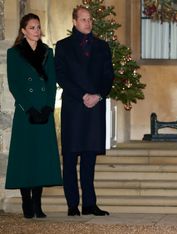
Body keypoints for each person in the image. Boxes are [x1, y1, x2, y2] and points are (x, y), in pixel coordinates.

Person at [55, 5, 114, 216]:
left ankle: (90, 203)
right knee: (71, 158)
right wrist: (82, 95)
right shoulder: (62, 46)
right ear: (74, 22)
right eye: (83, 19)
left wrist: (98, 95)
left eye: (89, 19)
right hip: (74, 106)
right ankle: (72, 204)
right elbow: (61, 76)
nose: (88, 23)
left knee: (89, 158)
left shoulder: (102, 46)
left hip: (94, 107)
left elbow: (108, 76)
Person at [5, 13, 62, 219]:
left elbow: (51, 82)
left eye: (38, 27)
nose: (36, 31)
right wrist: (28, 108)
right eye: (32, 27)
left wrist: (48, 107)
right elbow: (15, 85)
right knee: (25, 157)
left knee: (41, 158)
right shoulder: (14, 53)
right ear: (23, 30)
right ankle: (26, 201)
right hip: (25, 113)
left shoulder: (48, 52)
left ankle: (38, 203)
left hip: (44, 112)